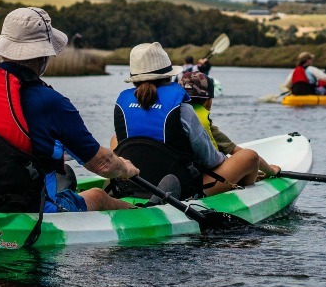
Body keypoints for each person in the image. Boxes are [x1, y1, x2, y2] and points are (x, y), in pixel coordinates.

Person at [0, 7, 137, 214]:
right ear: (43, 57)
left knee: (65, 177)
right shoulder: (52, 102)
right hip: (30, 210)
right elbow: (102, 164)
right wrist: (126, 169)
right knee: (99, 196)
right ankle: (142, 212)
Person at [112, 42, 263, 198]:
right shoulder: (181, 107)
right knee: (249, 157)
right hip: (183, 189)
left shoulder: (121, 105)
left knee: (114, 139)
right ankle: (243, 190)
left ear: (134, 79)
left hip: (134, 184)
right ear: (169, 76)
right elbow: (210, 160)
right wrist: (229, 163)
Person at [179, 70, 280, 180]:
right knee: (251, 157)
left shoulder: (173, 116)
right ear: (209, 101)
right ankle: (247, 183)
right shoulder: (202, 122)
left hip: (180, 176)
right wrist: (270, 170)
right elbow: (236, 151)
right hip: (203, 181)